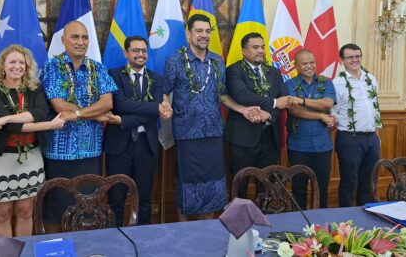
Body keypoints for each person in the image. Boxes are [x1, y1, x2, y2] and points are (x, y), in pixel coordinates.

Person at [164, 14, 259, 221]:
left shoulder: (216, 61)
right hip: (187, 132)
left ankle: (208, 227)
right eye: (199, 31)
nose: (204, 35)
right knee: (187, 181)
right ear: (189, 33)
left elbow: (222, 94)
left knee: (213, 180)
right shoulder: (175, 61)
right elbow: (165, 91)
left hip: (214, 130)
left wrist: (241, 109)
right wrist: (164, 104)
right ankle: (185, 228)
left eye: (207, 31)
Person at [0, 44, 66, 237]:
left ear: (27, 67)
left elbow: (40, 113)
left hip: (31, 158)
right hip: (0, 160)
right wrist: (49, 126)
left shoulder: (35, 88)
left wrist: (7, 117)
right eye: (12, 62)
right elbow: (12, 128)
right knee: (2, 213)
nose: (17, 66)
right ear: (3, 65)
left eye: (21, 62)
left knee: (26, 211)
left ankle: (24, 251)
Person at [41, 21, 117, 231]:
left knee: (87, 208)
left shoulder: (98, 68)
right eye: (75, 37)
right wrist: (94, 113)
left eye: (85, 38)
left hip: (90, 151)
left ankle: (84, 249)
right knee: (56, 208)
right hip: (59, 152)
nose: (81, 42)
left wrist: (75, 114)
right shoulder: (52, 66)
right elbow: (58, 103)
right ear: (63, 40)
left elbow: (107, 103)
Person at [104, 36, 172, 226]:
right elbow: (120, 104)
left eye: (143, 51)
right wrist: (154, 107)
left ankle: (144, 240)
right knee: (116, 198)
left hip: (146, 145)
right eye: (135, 50)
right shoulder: (114, 75)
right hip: (119, 146)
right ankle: (115, 237)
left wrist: (123, 120)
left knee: (144, 197)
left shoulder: (156, 78)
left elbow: (153, 114)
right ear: (126, 53)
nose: (140, 54)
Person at [225, 32, 293, 198]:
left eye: (262, 47)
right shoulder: (234, 70)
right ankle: (238, 222)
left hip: (270, 138)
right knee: (240, 184)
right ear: (244, 51)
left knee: (267, 186)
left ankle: (264, 219)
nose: (261, 51)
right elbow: (242, 95)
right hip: (243, 139)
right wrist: (273, 104)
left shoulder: (274, 72)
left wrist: (268, 114)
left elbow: (284, 100)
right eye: (255, 47)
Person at [285, 49, 337, 209]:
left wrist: (301, 100)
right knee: (298, 188)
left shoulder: (326, 82)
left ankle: (321, 223)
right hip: (298, 146)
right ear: (296, 66)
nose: (309, 66)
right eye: (305, 63)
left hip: (323, 146)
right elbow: (294, 111)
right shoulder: (289, 84)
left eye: (312, 62)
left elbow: (327, 103)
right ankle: (298, 223)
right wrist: (321, 116)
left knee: (321, 188)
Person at [332, 43, 382, 207]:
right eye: (350, 57)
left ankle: (365, 218)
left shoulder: (371, 79)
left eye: (358, 56)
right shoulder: (337, 83)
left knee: (368, 182)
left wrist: (376, 133)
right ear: (342, 60)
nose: (355, 60)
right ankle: (345, 221)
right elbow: (332, 110)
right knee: (349, 182)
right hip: (349, 139)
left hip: (371, 138)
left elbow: (374, 105)